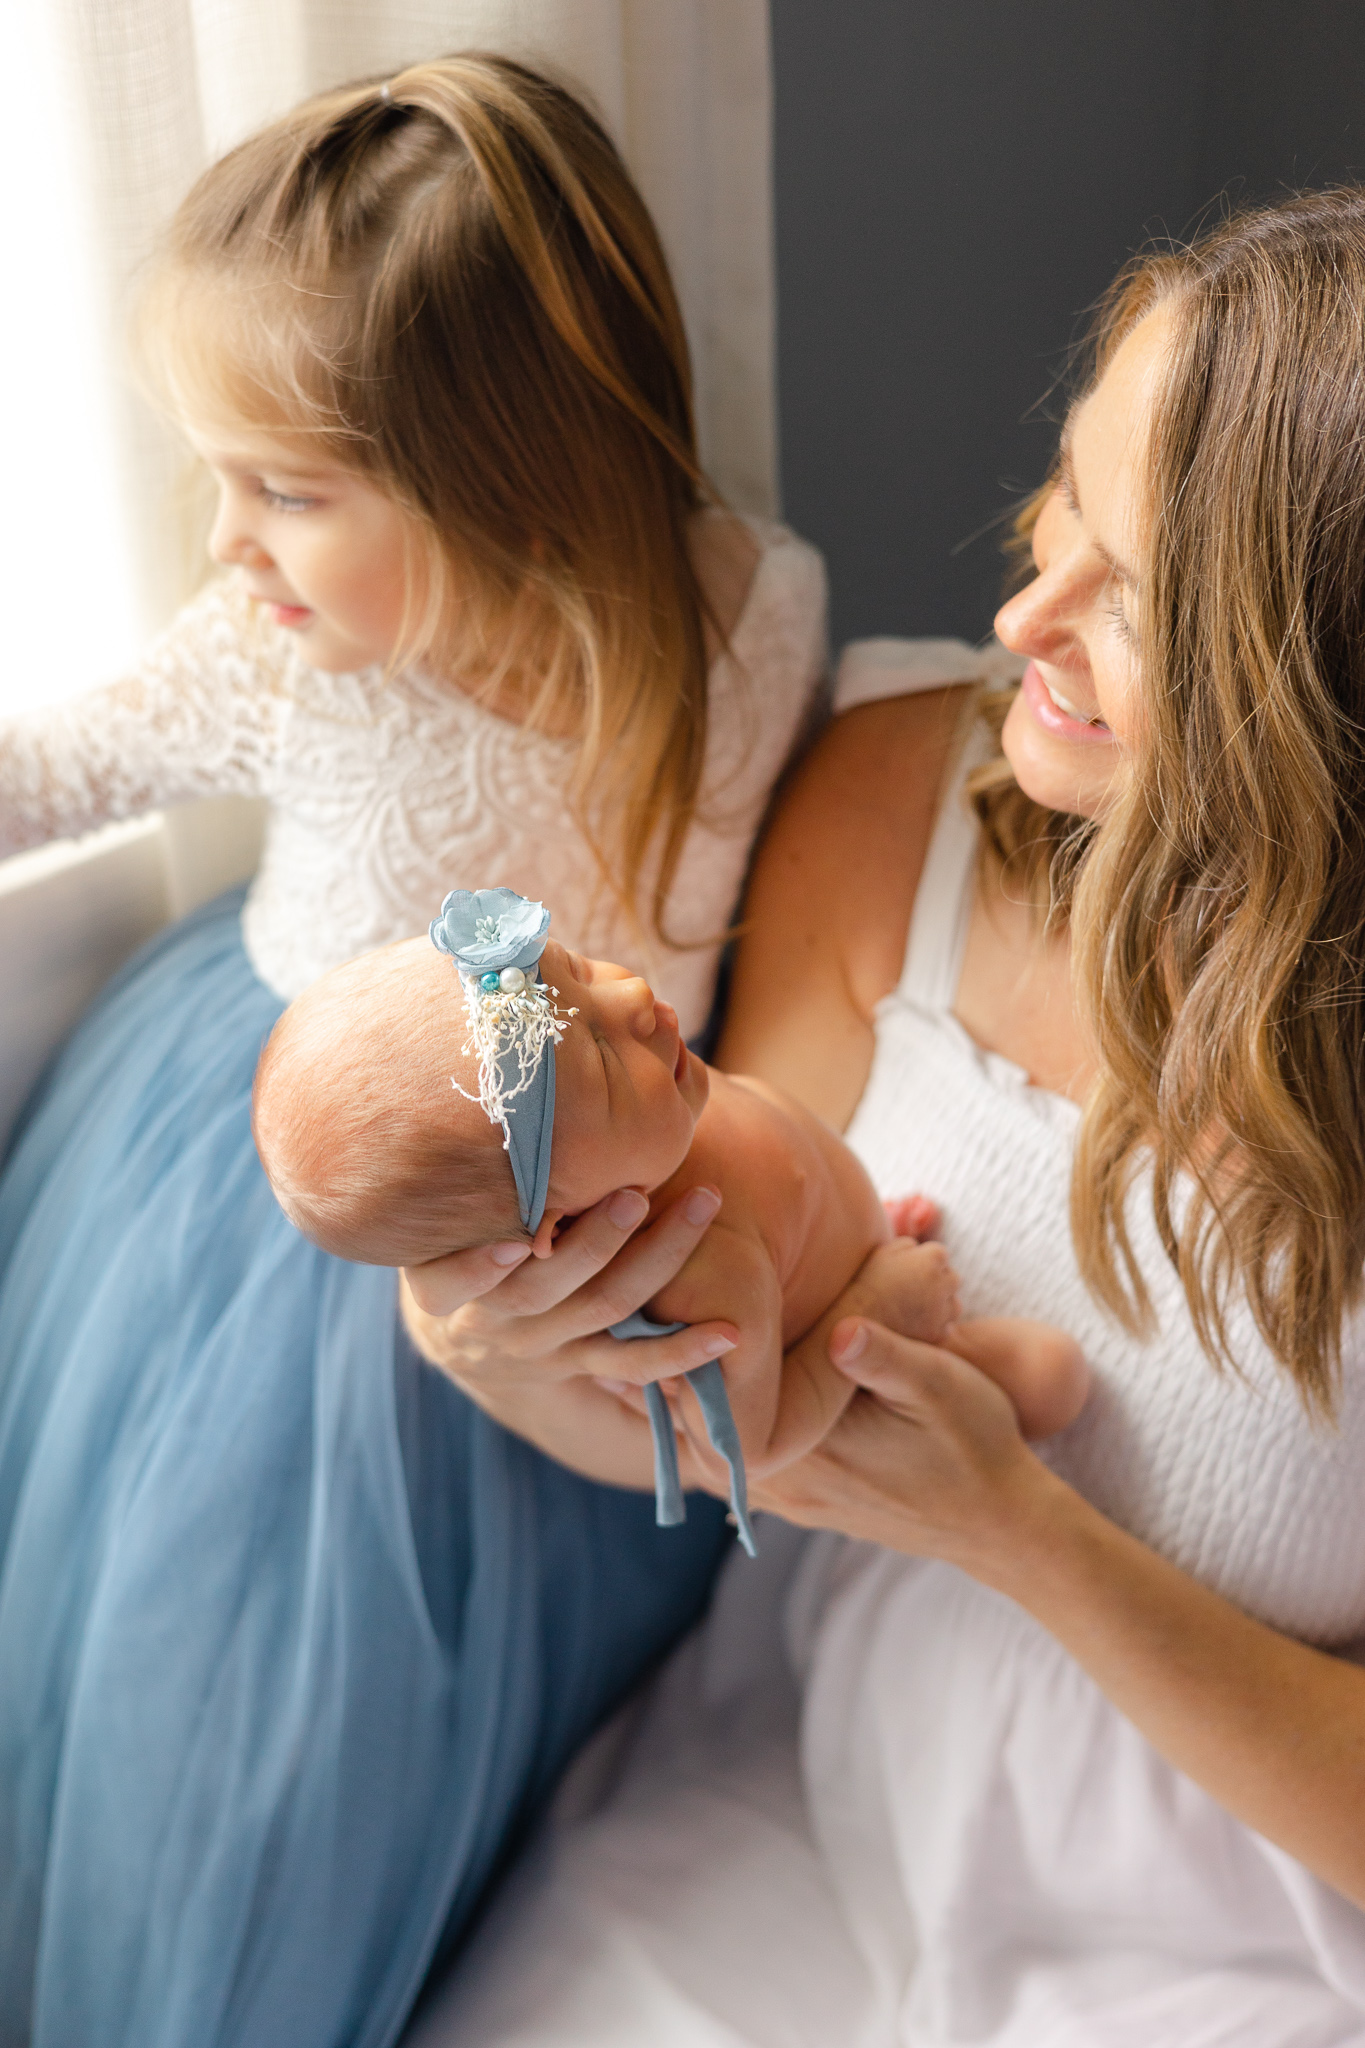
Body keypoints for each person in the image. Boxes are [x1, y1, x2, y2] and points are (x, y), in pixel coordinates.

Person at [400, 188, 1365, 2043]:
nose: (1021, 614)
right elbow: (730, 1409)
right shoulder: (896, 796)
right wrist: (498, 1342)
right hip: (833, 1780)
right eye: (1069, 498)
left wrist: (1026, 1532)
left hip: (1257, 1925)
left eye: (1138, 604)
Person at [0, 53, 828, 2048]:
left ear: (497, 471)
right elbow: (59, 764)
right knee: (210, 1672)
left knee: (455, 1696)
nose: (228, 545)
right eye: (220, 479)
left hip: (550, 1185)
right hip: (258, 1168)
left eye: (284, 490)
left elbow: (661, 986)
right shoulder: (276, 646)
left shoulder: (740, 626)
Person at [251, 912, 1086, 1499]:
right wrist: (876, 1303)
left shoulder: (647, 1124)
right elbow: (750, 1453)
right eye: (605, 1063)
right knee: (1052, 1376)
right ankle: (929, 1337)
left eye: (572, 969)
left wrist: (836, 1220)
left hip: (824, 1240)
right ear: (564, 1223)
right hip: (839, 1348)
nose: (631, 999)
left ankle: (852, 1240)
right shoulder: (703, 1270)